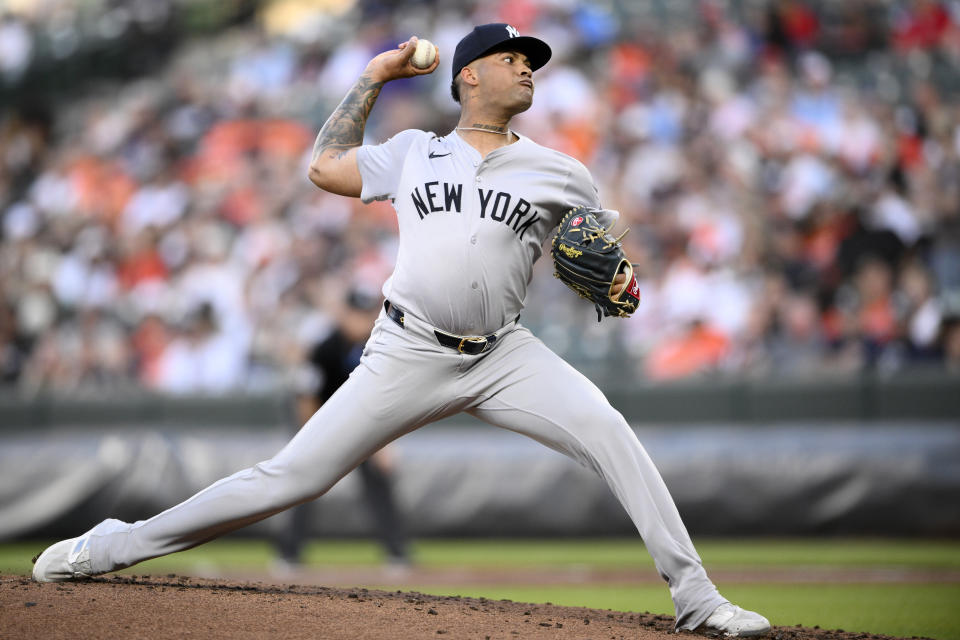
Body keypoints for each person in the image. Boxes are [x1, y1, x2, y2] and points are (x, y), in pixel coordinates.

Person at [32, 24, 771, 637]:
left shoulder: (560, 171)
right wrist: (376, 76)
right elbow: (322, 165)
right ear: (468, 76)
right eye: (512, 59)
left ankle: (698, 599)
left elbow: (603, 258)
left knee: (610, 431)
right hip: (406, 347)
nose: (527, 69)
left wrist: (621, 282)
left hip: (504, 355)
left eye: (532, 62)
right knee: (292, 477)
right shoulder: (417, 151)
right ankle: (112, 546)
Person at [274, 286, 410, 570]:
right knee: (304, 482)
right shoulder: (324, 348)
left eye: (364, 314)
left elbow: (380, 400)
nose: (360, 321)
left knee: (378, 480)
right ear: (343, 314)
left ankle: (397, 552)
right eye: (355, 314)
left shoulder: (377, 346)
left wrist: (381, 444)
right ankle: (288, 552)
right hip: (316, 418)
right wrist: (311, 441)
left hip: (359, 419)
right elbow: (305, 397)